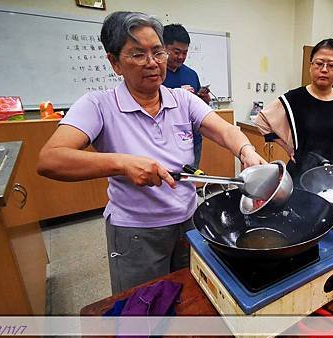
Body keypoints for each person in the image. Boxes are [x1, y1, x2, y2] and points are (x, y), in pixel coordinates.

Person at [36, 11, 266, 294]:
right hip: (135, 232)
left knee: (189, 295)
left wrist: (246, 150)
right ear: (114, 62)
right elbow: (50, 159)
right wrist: (122, 164)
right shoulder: (97, 105)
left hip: (188, 221)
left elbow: (223, 130)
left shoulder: (182, 99)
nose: (152, 63)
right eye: (137, 54)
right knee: (141, 307)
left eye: (158, 52)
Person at [255, 38, 333, 183]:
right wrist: (287, 147)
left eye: (331, 65)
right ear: (310, 66)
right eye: (319, 63)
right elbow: (261, 121)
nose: (324, 69)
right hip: (301, 177)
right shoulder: (293, 99)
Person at [162, 23, 210, 168]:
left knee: (189, 183)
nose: (181, 57)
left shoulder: (191, 74)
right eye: (176, 52)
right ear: (164, 47)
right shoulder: (154, 73)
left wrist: (203, 101)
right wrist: (177, 93)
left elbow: (196, 109)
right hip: (165, 142)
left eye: (185, 52)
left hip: (192, 140)